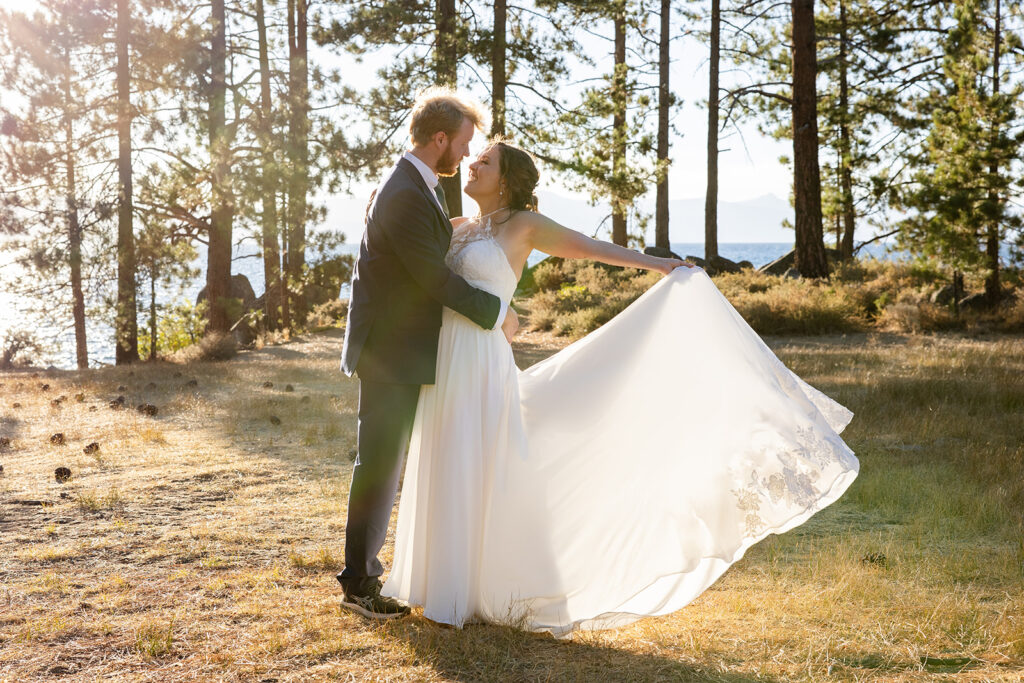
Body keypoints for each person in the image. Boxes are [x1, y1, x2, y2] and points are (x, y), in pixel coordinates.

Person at [379, 138, 860, 637]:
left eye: (485, 162)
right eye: (473, 158)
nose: (472, 164)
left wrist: (658, 265)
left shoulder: (526, 225)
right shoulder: (456, 227)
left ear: (506, 179)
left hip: (481, 361)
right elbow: (422, 273)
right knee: (446, 455)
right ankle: (442, 582)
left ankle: (480, 589)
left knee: (481, 459)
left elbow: (590, 247)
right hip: (446, 357)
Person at [336, 88, 519, 619]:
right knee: (380, 466)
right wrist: (497, 311)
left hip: (400, 345)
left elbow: (428, 246)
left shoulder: (415, 185)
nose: (465, 154)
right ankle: (359, 585)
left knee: (385, 463)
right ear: (440, 138)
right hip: (391, 350)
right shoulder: (405, 193)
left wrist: (467, 229)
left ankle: (362, 578)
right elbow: (432, 276)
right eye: (463, 144)